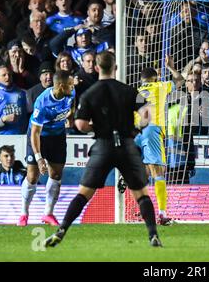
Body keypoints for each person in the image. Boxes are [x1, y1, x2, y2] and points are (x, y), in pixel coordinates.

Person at [43, 51, 163, 248]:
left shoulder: (90, 93)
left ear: (97, 68)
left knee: (83, 194)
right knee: (141, 194)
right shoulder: (130, 91)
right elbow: (147, 114)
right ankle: (153, 235)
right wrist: (134, 130)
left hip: (102, 146)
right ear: (115, 67)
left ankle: (61, 231)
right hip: (126, 145)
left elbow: (80, 124)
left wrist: (96, 129)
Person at [19, 70, 75, 227]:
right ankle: (24, 213)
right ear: (60, 86)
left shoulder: (71, 92)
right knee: (32, 176)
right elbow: (35, 132)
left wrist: (70, 116)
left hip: (57, 136)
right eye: (70, 85)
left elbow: (72, 104)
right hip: (39, 137)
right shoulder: (42, 102)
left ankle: (48, 214)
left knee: (56, 174)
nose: (73, 87)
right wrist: (39, 157)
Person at [135, 55, 184, 225]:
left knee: (146, 172)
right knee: (159, 174)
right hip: (152, 129)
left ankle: (141, 210)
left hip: (136, 132)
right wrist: (170, 67)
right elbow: (180, 80)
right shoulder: (159, 86)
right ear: (155, 77)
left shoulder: (137, 91)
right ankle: (162, 214)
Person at [0, 64, 28, 135]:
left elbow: (31, 116)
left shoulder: (24, 93)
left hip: (22, 138)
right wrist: (3, 120)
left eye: (9, 75)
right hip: (2, 139)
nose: (7, 77)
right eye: (4, 75)